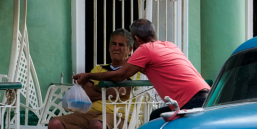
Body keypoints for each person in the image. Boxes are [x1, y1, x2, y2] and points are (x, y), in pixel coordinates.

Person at [73, 19, 209, 121]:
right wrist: (130, 63)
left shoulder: (145, 49)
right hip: (207, 95)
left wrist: (88, 75)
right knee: (156, 117)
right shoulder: (169, 45)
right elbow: (153, 69)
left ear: (136, 39)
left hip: (190, 101)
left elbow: (119, 75)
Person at [49, 29, 138, 129]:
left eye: (121, 45)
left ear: (130, 49)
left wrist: (97, 87)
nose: (116, 48)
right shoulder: (98, 69)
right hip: (91, 113)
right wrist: (105, 90)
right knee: (54, 124)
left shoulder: (133, 71)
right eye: (113, 43)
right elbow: (86, 93)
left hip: (118, 115)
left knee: (96, 125)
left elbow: (117, 92)